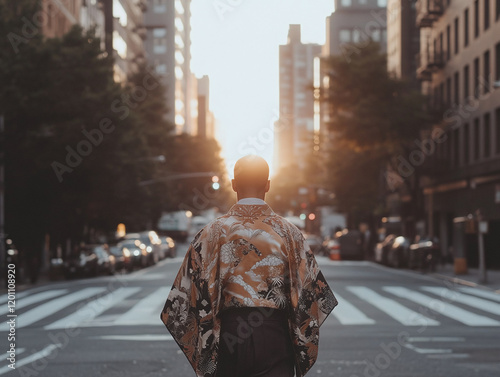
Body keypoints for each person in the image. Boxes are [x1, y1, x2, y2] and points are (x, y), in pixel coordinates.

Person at [160, 155, 337, 377]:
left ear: (233, 185)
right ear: (268, 185)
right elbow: (313, 296)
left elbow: (183, 300)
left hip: (228, 335)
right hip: (275, 334)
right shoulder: (290, 234)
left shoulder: (210, 233)